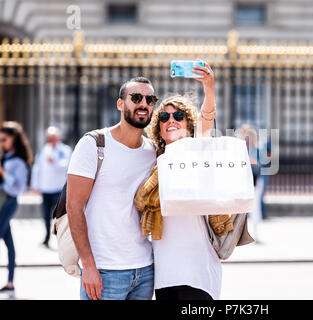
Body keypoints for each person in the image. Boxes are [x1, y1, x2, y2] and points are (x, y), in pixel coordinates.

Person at [134, 61, 230, 300]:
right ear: (159, 127)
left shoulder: (197, 150)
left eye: (178, 115)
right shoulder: (153, 160)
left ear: (189, 123)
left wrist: (209, 88)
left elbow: (207, 118)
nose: (171, 120)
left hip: (198, 270)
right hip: (165, 273)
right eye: (164, 117)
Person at [66, 77, 157, 300]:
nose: (143, 103)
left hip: (145, 270)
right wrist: (88, 266)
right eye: (136, 98)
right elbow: (74, 206)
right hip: (104, 270)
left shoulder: (152, 151)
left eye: (150, 99)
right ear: (120, 104)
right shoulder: (93, 144)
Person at [0, 122, 33, 293]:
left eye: (4, 139)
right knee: (9, 243)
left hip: (9, 202)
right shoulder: (6, 157)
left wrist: (3, 172)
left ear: (14, 139)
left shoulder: (19, 161)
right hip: (2, 201)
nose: (2, 143)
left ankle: (11, 282)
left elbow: (18, 187)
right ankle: (10, 282)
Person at [31, 126, 72, 248]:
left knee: (59, 216)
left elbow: (67, 166)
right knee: (45, 215)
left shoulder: (65, 150)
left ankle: (61, 237)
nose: (51, 140)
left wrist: (54, 161)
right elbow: (37, 168)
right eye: (49, 138)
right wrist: (36, 185)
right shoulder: (44, 149)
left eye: (53, 138)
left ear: (58, 137)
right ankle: (46, 237)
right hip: (45, 188)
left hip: (59, 189)